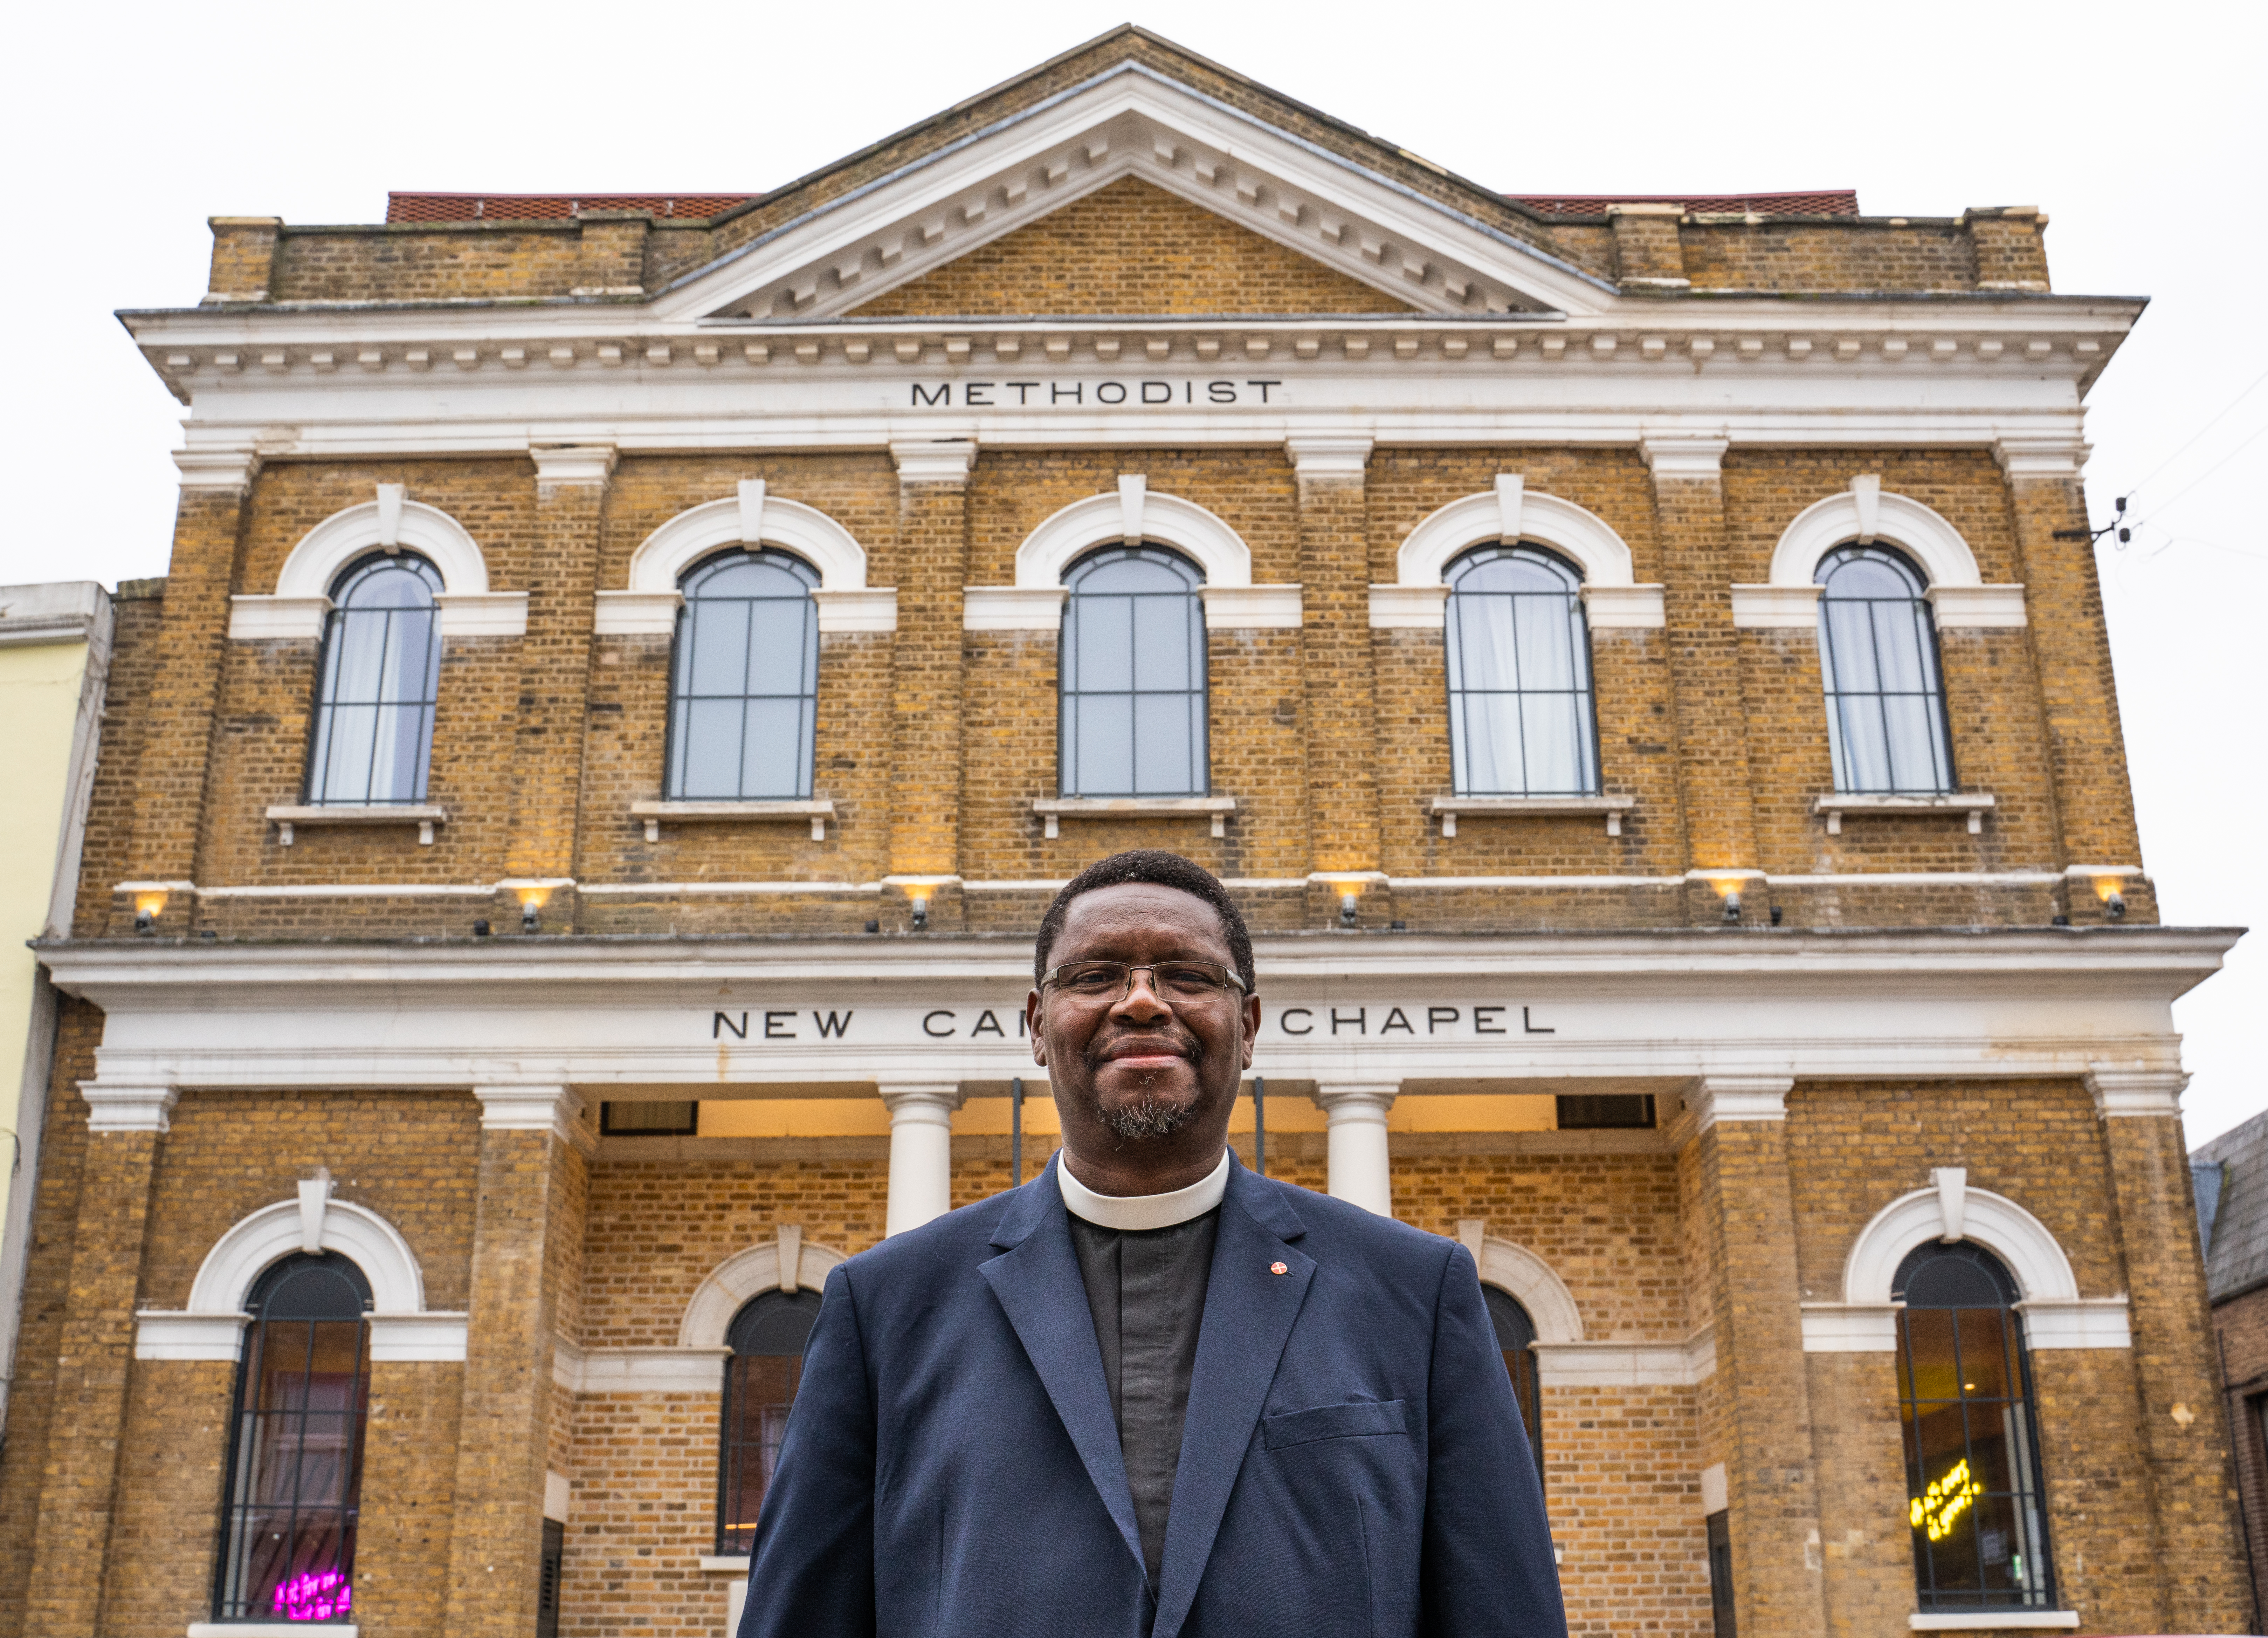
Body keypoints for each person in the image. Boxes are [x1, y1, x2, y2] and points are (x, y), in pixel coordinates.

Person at [738, 849, 1564, 1638]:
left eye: (1187, 976)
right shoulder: (884, 1307)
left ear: (1247, 1026)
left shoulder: (1414, 1293)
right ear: (1036, 1025)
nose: (1141, 1002)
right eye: (1094, 976)